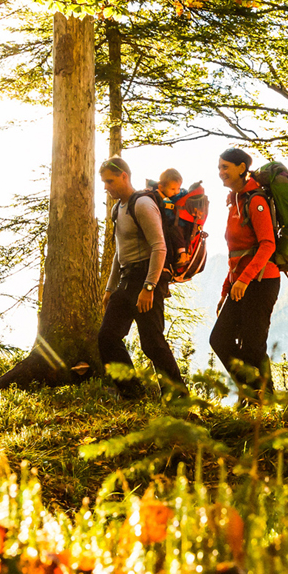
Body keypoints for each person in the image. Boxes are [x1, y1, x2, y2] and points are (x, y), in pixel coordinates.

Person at [98, 156, 186, 399]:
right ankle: (133, 393)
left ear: (124, 176)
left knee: (152, 342)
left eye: (110, 181)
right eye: (104, 182)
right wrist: (109, 288)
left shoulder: (143, 204)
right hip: (127, 280)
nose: (106, 186)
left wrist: (149, 286)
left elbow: (159, 247)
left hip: (147, 278)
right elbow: (119, 252)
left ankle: (178, 398)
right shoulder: (118, 209)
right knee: (107, 337)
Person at [209, 147, 280, 402]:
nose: (221, 173)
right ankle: (253, 395)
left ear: (242, 168)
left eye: (225, 167)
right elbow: (235, 253)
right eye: (219, 168)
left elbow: (267, 245)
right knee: (219, 339)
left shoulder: (255, 201)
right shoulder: (234, 201)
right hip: (240, 283)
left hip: (262, 282)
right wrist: (226, 290)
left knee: (253, 346)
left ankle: (264, 403)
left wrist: (244, 280)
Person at [155, 167, 191, 268]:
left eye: (178, 188)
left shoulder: (178, 196)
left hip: (179, 223)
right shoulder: (163, 197)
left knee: (175, 231)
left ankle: (182, 254)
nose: (176, 192)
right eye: (173, 189)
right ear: (161, 188)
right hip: (176, 221)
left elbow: (168, 215)